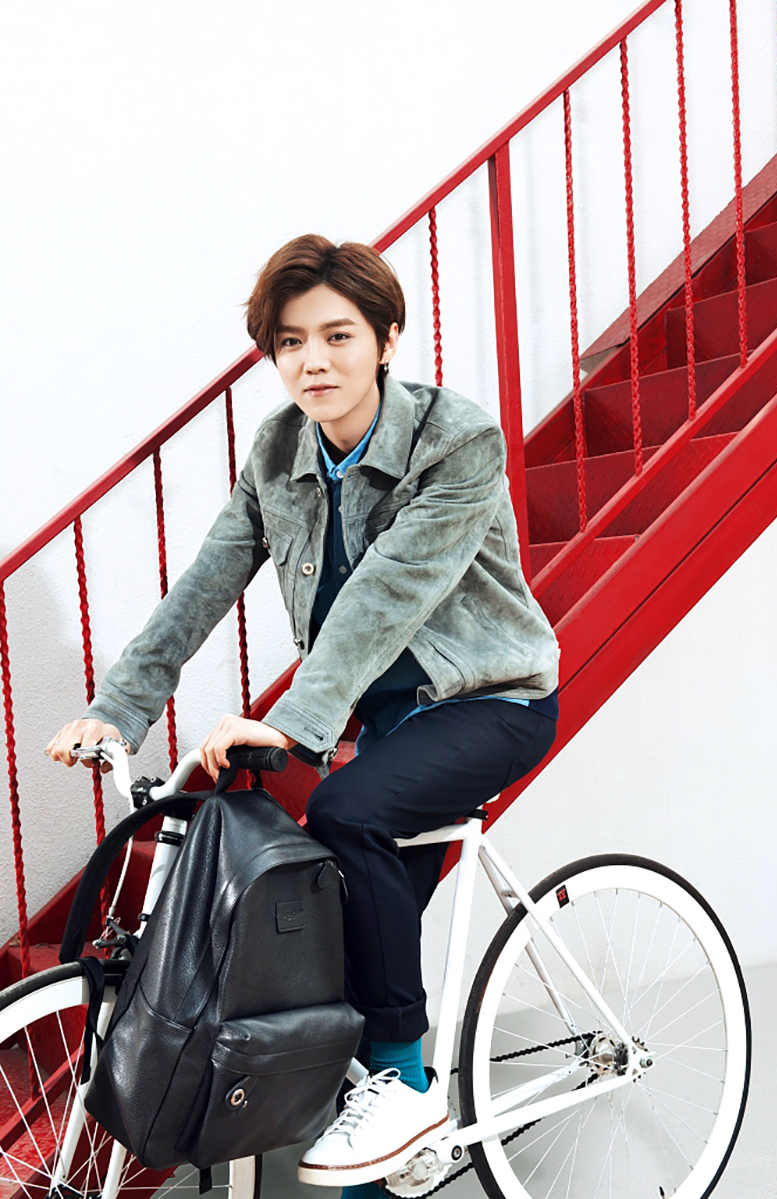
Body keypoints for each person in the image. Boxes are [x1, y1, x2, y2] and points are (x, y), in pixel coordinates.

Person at [46, 234, 559, 1195]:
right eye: (290, 342)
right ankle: (383, 1121)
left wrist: (294, 720)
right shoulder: (279, 449)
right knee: (332, 946)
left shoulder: (457, 439)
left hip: (489, 700)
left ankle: (403, 1083)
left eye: (337, 335)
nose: (312, 361)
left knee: (344, 813)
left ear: (387, 340)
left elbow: (385, 595)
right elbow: (204, 585)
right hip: (387, 721)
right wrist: (119, 709)